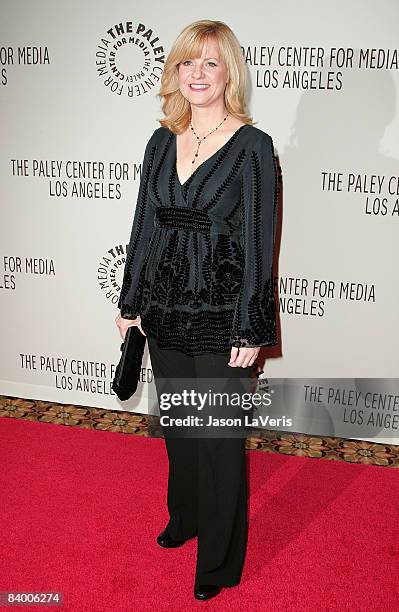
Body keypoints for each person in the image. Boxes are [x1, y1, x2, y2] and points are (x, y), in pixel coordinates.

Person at [115, 19, 279, 601]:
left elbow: (260, 246)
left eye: (211, 63)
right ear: (174, 72)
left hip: (220, 316)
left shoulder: (253, 147)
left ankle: (220, 560)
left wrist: (251, 327)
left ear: (229, 72)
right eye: (188, 62)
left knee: (218, 440)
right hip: (163, 310)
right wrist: (131, 299)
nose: (198, 74)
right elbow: (143, 225)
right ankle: (183, 518)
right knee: (180, 429)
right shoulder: (161, 140)